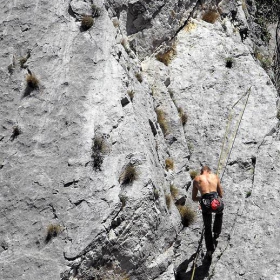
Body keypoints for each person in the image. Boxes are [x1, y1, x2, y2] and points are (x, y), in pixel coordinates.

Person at [192, 166, 224, 260]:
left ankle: (209, 250)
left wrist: (202, 198)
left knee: (207, 227)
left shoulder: (196, 179)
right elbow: (221, 194)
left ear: (201, 172)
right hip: (215, 202)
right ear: (209, 171)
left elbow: (194, 198)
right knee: (219, 212)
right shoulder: (215, 176)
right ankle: (217, 232)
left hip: (205, 203)